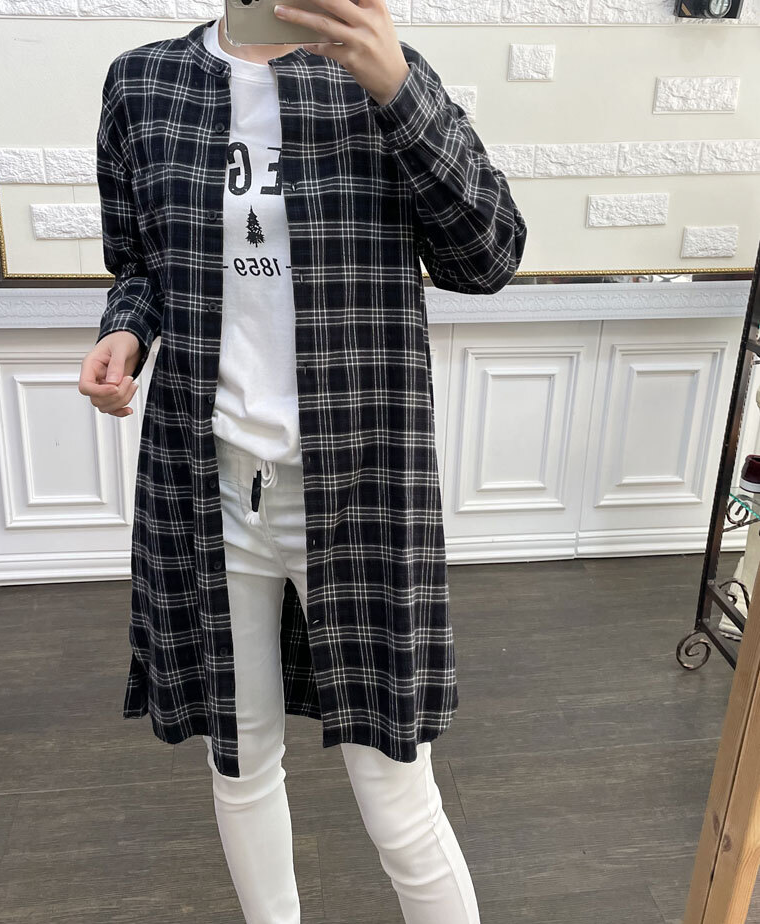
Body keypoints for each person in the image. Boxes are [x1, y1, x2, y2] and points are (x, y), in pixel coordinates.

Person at [80, 2, 526, 920]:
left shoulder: (382, 76)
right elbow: (140, 266)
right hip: (207, 485)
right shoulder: (143, 84)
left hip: (360, 486)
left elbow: (488, 255)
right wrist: (125, 332)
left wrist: (398, 89)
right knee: (240, 763)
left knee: (396, 788)